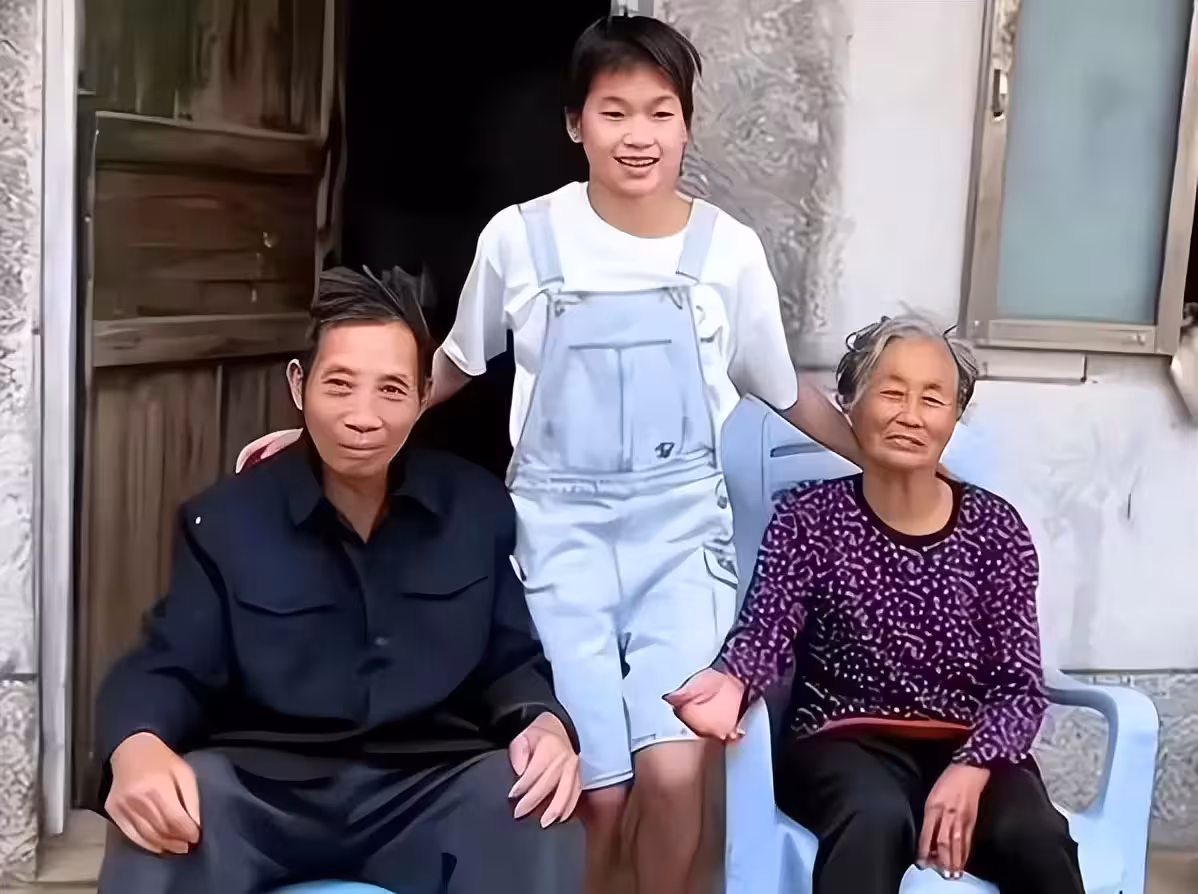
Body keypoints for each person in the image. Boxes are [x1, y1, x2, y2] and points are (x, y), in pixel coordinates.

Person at [243, 16, 862, 894]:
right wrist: (329, 433)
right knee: (595, 790)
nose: (639, 136)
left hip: (681, 539)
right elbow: (453, 365)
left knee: (674, 770)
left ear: (687, 126)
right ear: (576, 123)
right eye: (615, 112)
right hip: (555, 538)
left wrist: (889, 457)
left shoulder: (726, 250)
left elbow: (783, 389)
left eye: (660, 113)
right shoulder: (521, 238)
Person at [93, 267, 584, 894]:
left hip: (428, 791)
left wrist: (542, 723)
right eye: (340, 385)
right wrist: (136, 747)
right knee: (158, 816)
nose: (363, 417)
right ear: (299, 385)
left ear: (424, 395)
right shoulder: (225, 521)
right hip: (262, 795)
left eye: (391, 390)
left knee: (533, 810)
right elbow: (169, 664)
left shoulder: (474, 508)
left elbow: (509, 660)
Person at [668, 315, 1086, 894]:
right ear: (850, 404)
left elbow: (1019, 687)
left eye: (932, 399)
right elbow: (767, 629)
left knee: (1036, 835)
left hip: (967, 741)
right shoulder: (810, 519)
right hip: (842, 739)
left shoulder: (995, 529)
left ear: (954, 418)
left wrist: (972, 766)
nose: (910, 415)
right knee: (874, 819)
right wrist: (731, 681)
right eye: (891, 392)